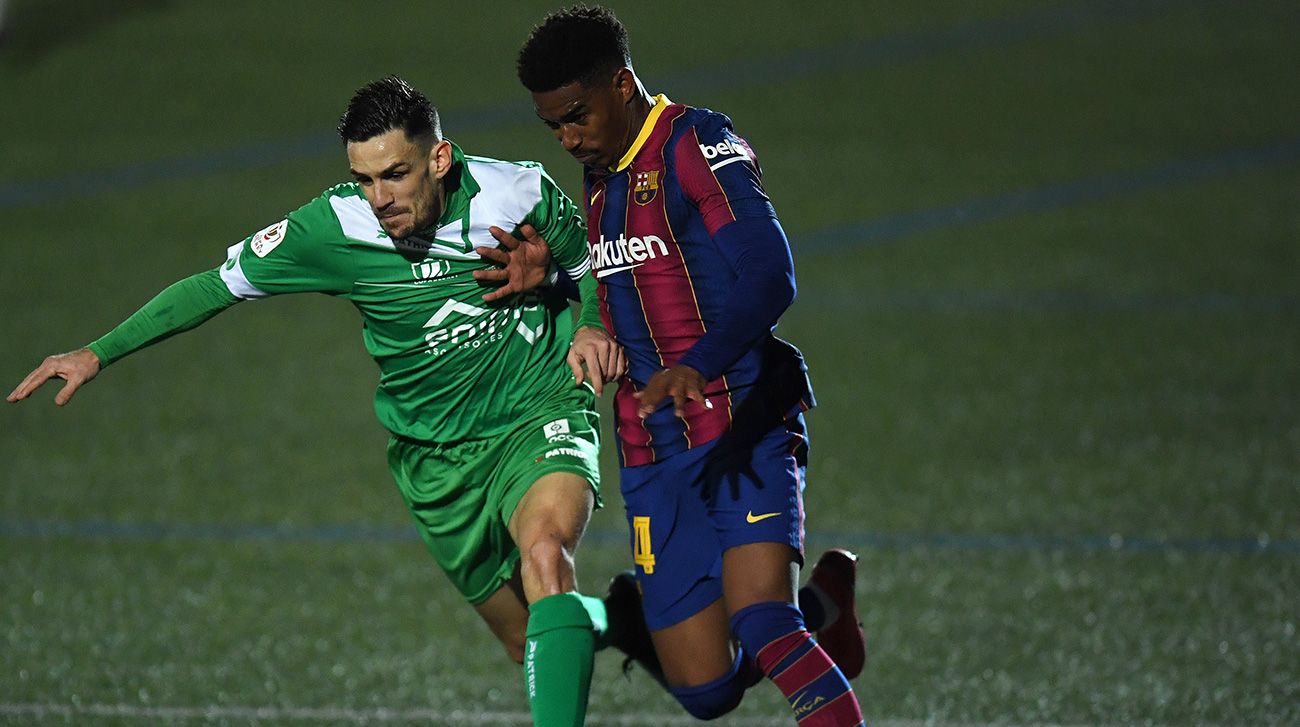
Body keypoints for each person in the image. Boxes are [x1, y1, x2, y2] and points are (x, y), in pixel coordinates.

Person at [7, 76, 650, 727]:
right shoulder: (331, 227)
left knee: (546, 554)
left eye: (395, 174)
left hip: (536, 411)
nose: (380, 198)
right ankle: (623, 616)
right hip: (437, 463)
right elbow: (213, 287)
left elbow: (597, 264)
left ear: (439, 157)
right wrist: (97, 352)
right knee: (527, 639)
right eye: (364, 178)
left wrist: (592, 322)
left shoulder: (517, 192)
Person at [501, 6, 869, 725]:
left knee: (766, 619)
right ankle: (824, 605)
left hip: (742, 422)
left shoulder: (695, 142)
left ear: (623, 82)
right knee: (705, 691)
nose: (569, 138)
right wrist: (553, 283)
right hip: (655, 450)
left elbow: (770, 272)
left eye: (578, 115)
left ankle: (798, 614)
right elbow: (628, 286)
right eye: (554, 126)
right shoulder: (601, 176)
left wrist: (697, 363)